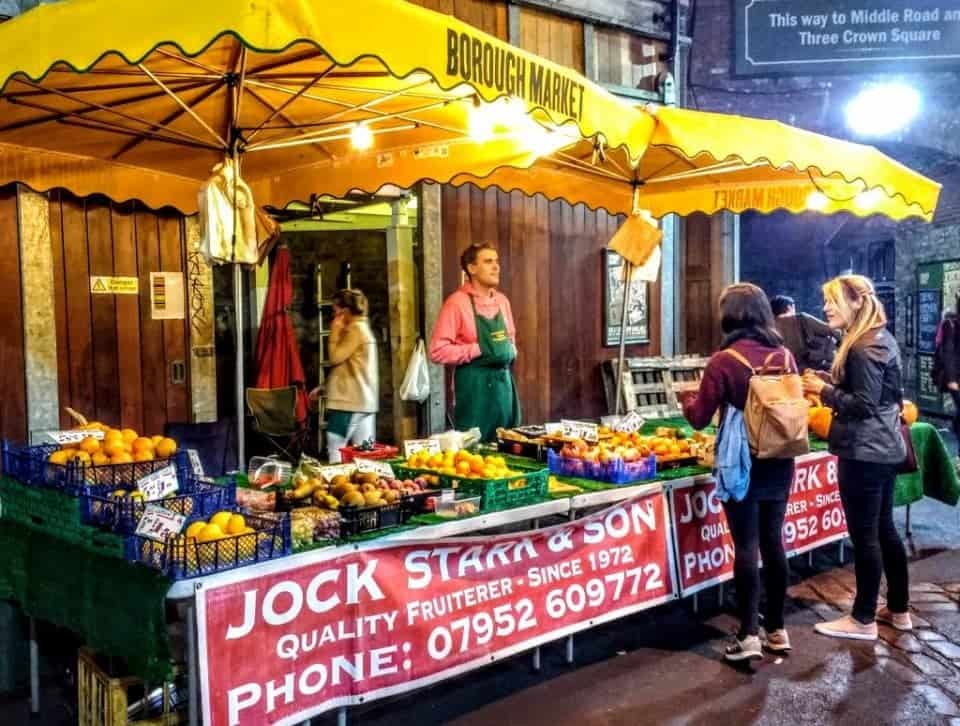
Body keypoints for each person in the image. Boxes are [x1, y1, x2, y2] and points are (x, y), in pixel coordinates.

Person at [678, 283, 797, 662]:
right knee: (773, 542)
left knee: (746, 545)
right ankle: (777, 629)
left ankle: (747, 635)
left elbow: (699, 419)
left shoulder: (723, 361)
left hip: (741, 460)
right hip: (780, 458)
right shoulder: (784, 355)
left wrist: (687, 402)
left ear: (729, 316)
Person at [802, 275, 910, 640]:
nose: (827, 308)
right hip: (882, 448)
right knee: (884, 529)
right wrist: (831, 383)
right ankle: (898, 609)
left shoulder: (863, 347)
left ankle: (862, 618)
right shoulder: (879, 339)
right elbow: (877, 396)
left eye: (833, 301)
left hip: (864, 451)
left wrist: (824, 390)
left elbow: (863, 405)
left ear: (856, 303)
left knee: (865, 536)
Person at [429, 243, 520, 441]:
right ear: (471, 268)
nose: (496, 267)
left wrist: (511, 350)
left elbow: (511, 338)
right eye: (488, 262)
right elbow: (437, 351)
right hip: (474, 389)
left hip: (503, 386)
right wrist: (477, 349)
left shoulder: (503, 301)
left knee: (506, 443)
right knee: (475, 452)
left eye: (496, 262)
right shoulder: (457, 303)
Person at [310, 289, 378, 464]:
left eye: (335, 311)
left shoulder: (355, 330)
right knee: (364, 455)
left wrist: (333, 333)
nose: (334, 316)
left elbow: (335, 358)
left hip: (347, 403)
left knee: (336, 449)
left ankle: (336, 485)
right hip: (365, 401)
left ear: (345, 311)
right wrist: (325, 386)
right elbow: (350, 366)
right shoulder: (363, 328)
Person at [770, 294, 838, 372]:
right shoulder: (801, 319)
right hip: (809, 370)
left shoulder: (770, 326)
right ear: (789, 307)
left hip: (783, 371)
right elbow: (831, 330)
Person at [932, 297, 960, 439]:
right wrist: (951, 379)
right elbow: (947, 352)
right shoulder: (950, 324)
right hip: (956, 377)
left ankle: (956, 427)